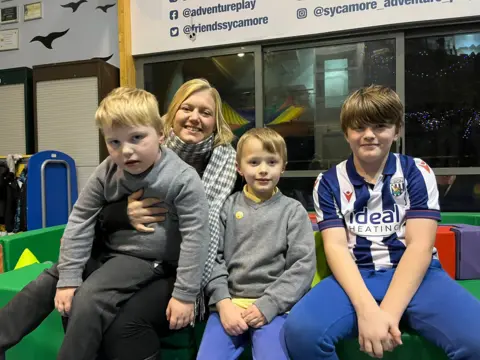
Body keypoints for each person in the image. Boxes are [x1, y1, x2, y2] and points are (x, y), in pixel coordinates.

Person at [0, 78, 237, 360]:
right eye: (115, 142)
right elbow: (80, 218)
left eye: (137, 139)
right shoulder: (111, 167)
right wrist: (69, 276)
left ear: (159, 135)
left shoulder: (190, 175)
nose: (126, 150)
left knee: (90, 298)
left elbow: (197, 238)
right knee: (52, 277)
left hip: (149, 261)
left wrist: (186, 294)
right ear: (171, 118)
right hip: (111, 249)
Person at [283, 85, 480, 360]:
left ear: (396, 130)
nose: (369, 135)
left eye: (380, 126)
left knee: (477, 339)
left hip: (418, 274)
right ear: (346, 132)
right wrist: (366, 310)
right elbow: (337, 249)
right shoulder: (327, 183)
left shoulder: (417, 172)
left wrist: (386, 315)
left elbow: (420, 247)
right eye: (359, 127)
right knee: (300, 333)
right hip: (356, 274)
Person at [98, 78, 238, 360]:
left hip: (187, 272)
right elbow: (94, 214)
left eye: (205, 112)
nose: (195, 118)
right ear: (171, 114)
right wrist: (122, 213)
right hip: (133, 259)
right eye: (187, 108)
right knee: (93, 309)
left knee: (125, 323)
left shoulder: (230, 167)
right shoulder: (142, 149)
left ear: (216, 121)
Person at [195, 128, 316, 360]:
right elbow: (213, 258)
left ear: (283, 167)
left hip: (276, 308)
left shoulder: (293, 211)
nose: (263, 170)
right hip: (229, 306)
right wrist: (223, 303)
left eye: (272, 162)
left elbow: (302, 267)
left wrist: (268, 305)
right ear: (239, 168)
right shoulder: (227, 207)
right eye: (254, 162)